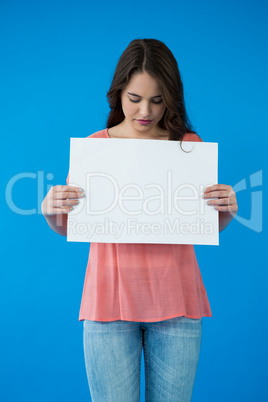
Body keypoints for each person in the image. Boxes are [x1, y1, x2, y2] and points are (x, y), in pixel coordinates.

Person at [42, 38, 238, 401]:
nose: (145, 110)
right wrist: (52, 209)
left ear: (172, 98)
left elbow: (202, 225)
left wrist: (224, 209)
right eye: (134, 99)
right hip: (108, 305)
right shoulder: (95, 149)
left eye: (157, 100)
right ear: (118, 94)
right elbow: (70, 226)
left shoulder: (188, 147)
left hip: (177, 304)